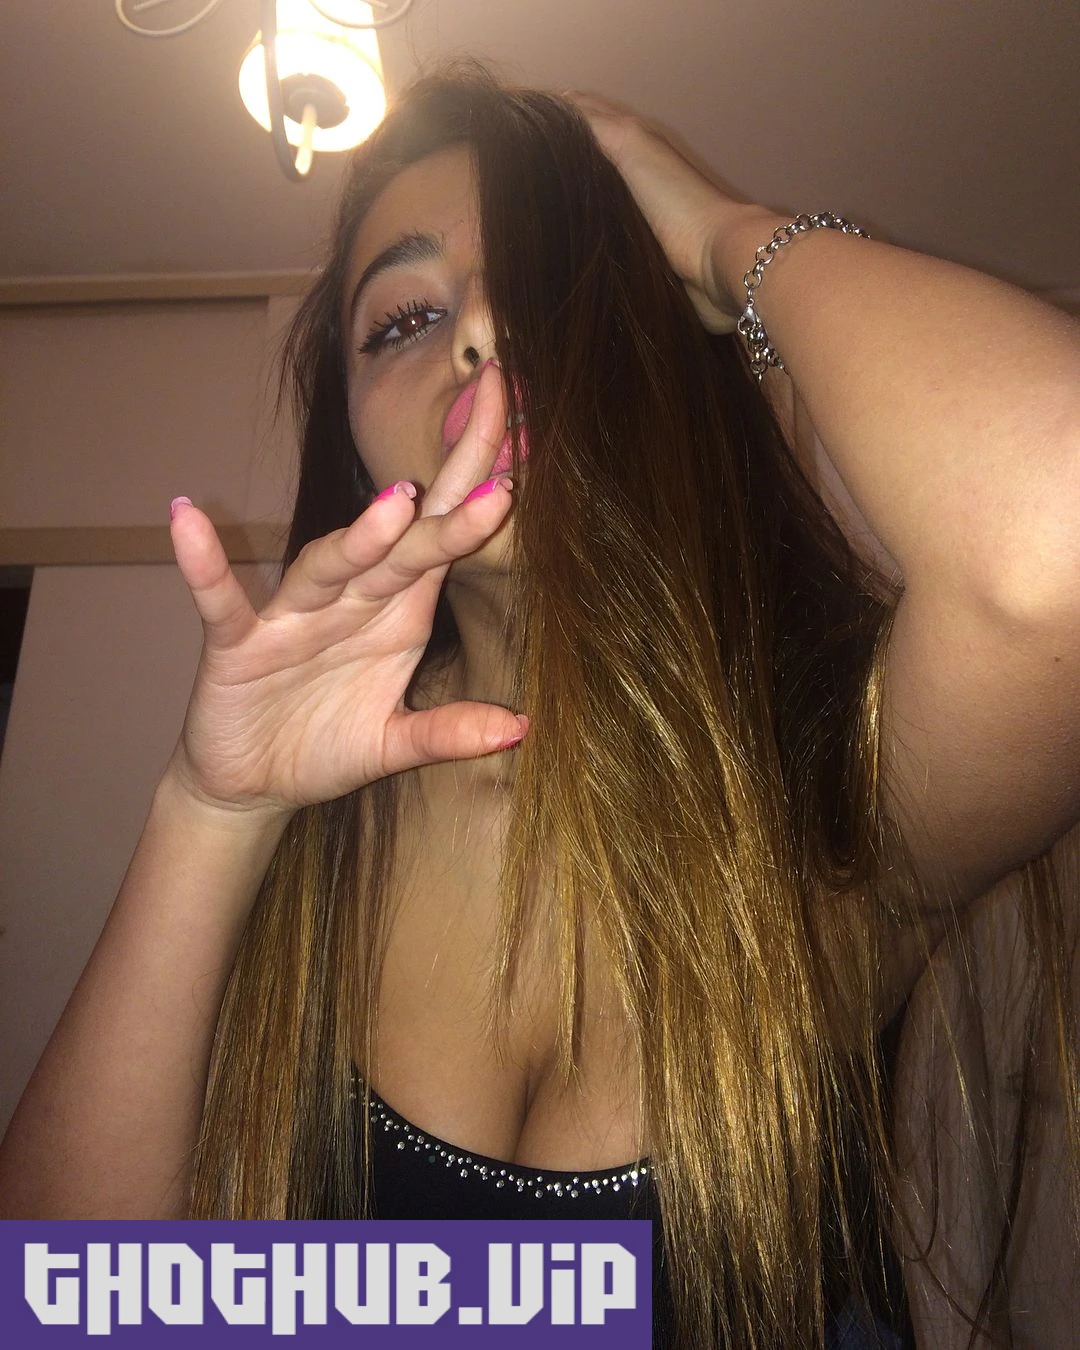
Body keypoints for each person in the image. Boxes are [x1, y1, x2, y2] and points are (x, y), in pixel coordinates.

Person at [1, 68, 1078, 1349]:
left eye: (552, 277)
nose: (479, 329)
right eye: (403, 318)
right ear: (359, 448)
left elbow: (1055, 549)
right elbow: (71, 1299)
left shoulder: (827, 798)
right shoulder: (299, 821)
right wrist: (210, 809)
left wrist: (716, 234)